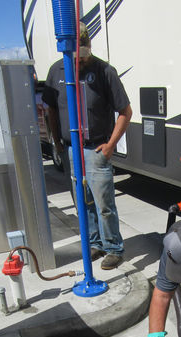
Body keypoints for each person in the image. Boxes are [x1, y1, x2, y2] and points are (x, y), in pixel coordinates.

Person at [42, 22, 132, 270]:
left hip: (96, 149)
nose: (80, 63)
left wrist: (111, 144)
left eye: (84, 57)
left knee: (104, 203)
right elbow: (50, 108)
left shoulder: (104, 71)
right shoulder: (57, 70)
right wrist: (56, 141)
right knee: (83, 202)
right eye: (76, 58)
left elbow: (125, 111)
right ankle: (95, 243)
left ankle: (113, 247)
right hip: (71, 150)